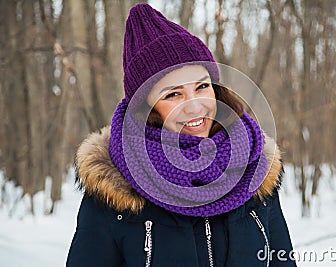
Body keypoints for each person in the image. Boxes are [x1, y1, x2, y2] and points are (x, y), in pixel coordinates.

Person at [67, 3, 296, 267]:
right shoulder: (114, 191)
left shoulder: (255, 171)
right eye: (173, 94)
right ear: (146, 109)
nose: (195, 105)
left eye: (202, 86)